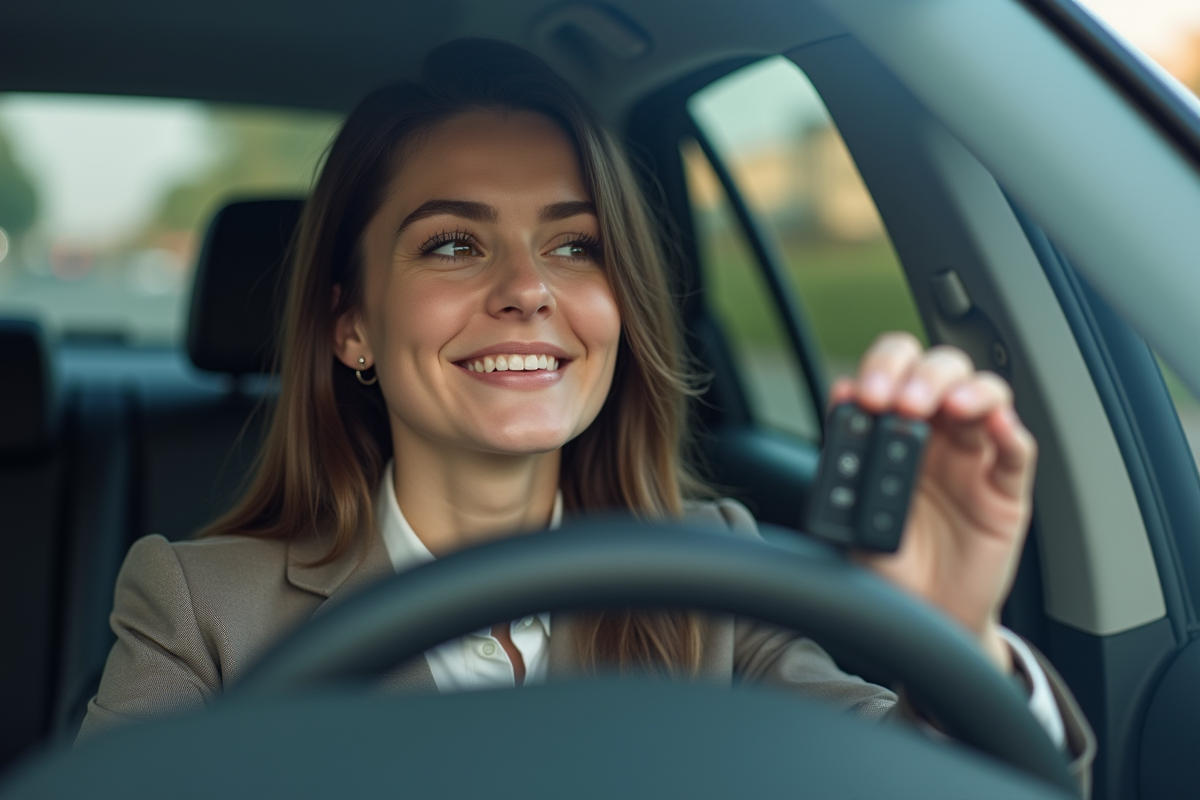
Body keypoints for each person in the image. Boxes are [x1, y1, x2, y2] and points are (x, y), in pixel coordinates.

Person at [78, 38, 1093, 786]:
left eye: (575, 245)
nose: (530, 289)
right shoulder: (201, 610)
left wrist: (956, 645)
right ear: (350, 326)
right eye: (451, 243)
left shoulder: (715, 573)